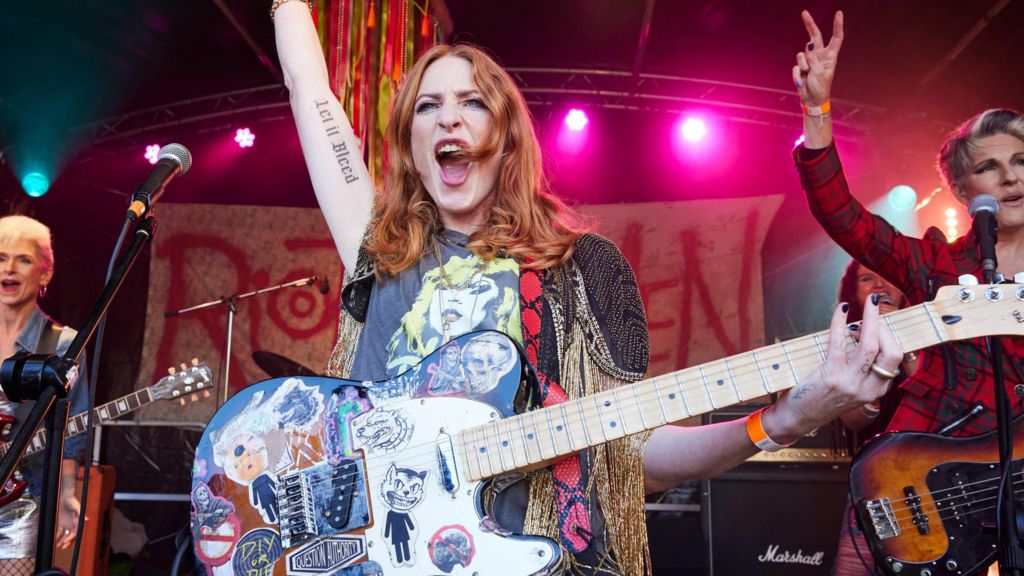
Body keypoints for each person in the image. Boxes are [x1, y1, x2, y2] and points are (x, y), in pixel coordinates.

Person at [274, 1, 902, 573]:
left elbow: (631, 453)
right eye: (427, 106)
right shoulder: (380, 247)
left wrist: (786, 418)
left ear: (505, 136)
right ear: (411, 143)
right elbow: (311, 92)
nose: (448, 121)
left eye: (471, 102)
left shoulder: (586, 267)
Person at [792, 12, 1024, 572]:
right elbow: (843, 216)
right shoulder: (935, 263)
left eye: (1021, 161)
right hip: (912, 484)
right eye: (991, 167)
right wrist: (817, 112)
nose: (1012, 177)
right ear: (962, 188)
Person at [0, 215, 89, 576]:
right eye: (1, 258)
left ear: (45, 273)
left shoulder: (61, 343)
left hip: (19, 505)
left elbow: (69, 431)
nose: (10, 268)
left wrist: (67, 494)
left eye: (23, 259)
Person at [832, 261, 918, 575]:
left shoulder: (935, 332)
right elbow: (854, 420)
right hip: (875, 482)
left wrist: (904, 342)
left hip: (935, 474)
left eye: (889, 276)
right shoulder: (846, 343)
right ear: (854, 292)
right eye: (867, 279)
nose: (879, 287)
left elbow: (932, 396)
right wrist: (876, 359)